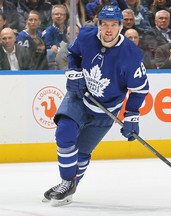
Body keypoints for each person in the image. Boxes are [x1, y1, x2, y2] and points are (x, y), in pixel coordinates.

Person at [43, 5, 149, 207]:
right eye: (104, 24)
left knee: (82, 153)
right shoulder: (86, 36)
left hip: (106, 111)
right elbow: (74, 54)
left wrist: (132, 115)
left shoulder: (131, 56)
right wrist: (74, 71)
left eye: (114, 25)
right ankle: (66, 182)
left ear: (120, 27)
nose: (108, 30)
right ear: (98, 24)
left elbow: (141, 89)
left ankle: (70, 185)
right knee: (64, 132)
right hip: (80, 97)